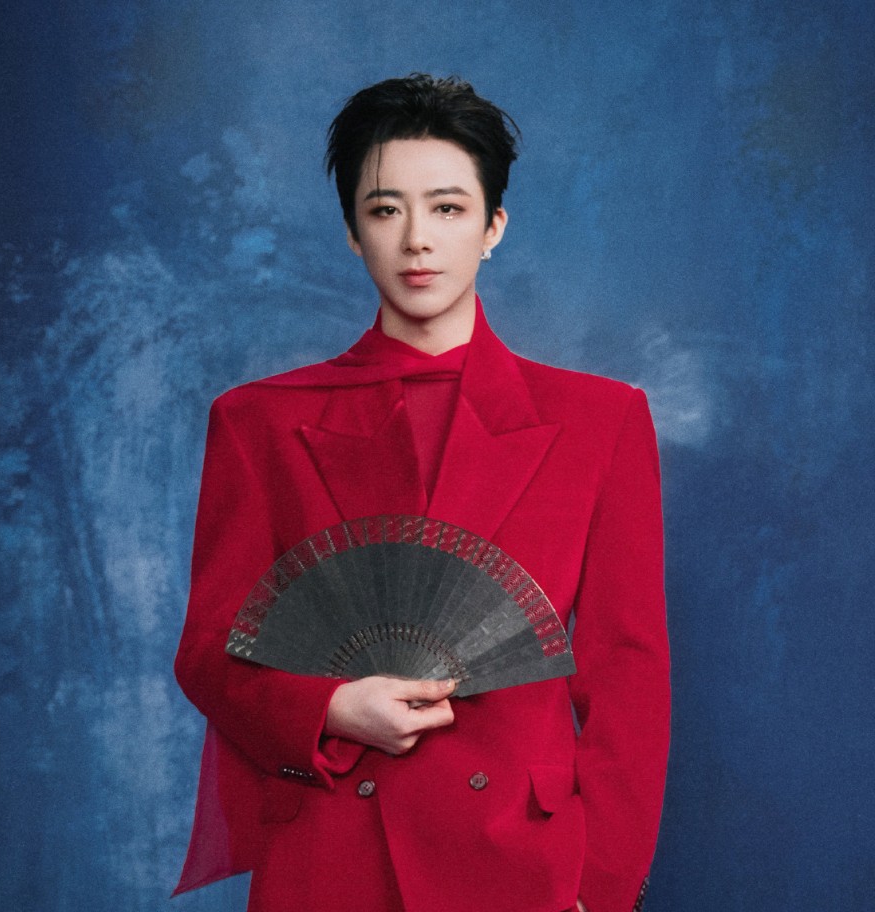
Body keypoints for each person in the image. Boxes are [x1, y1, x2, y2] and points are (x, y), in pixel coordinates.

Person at [173, 74, 669, 912]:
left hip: (526, 867)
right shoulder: (257, 421)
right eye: (384, 210)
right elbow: (210, 652)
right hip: (331, 858)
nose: (416, 241)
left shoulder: (602, 420)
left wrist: (603, 887)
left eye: (446, 208)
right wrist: (332, 707)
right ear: (351, 232)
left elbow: (629, 677)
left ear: (493, 226)